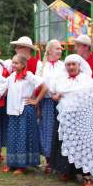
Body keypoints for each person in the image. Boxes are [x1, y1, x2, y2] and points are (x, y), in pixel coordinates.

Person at [0, 53, 47, 175]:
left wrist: (36, 100)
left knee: (22, 138)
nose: (13, 65)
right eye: (13, 62)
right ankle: (11, 163)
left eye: (16, 63)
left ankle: (22, 165)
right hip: (13, 111)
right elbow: (1, 88)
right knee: (12, 138)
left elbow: (44, 86)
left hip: (25, 111)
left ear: (23, 64)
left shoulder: (29, 76)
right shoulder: (11, 77)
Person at [48, 54, 93, 186]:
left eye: (74, 64)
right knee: (65, 143)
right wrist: (56, 96)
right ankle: (67, 171)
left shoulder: (87, 80)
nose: (71, 67)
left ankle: (86, 175)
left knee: (83, 145)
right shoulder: (61, 80)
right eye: (68, 65)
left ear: (79, 66)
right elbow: (55, 94)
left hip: (82, 118)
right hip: (65, 117)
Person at [35, 40, 65, 173]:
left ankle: (59, 161)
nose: (60, 51)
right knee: (47, 130)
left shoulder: (63, 65)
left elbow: (66, 81)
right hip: (46, 101)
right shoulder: (41, 66)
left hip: (61, 101)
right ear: (50, 50)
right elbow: (38, 82)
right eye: (57, 48)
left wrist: (58, 93)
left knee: (60, 131)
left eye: (61, 49)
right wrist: (49, 94)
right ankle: (48, 161)